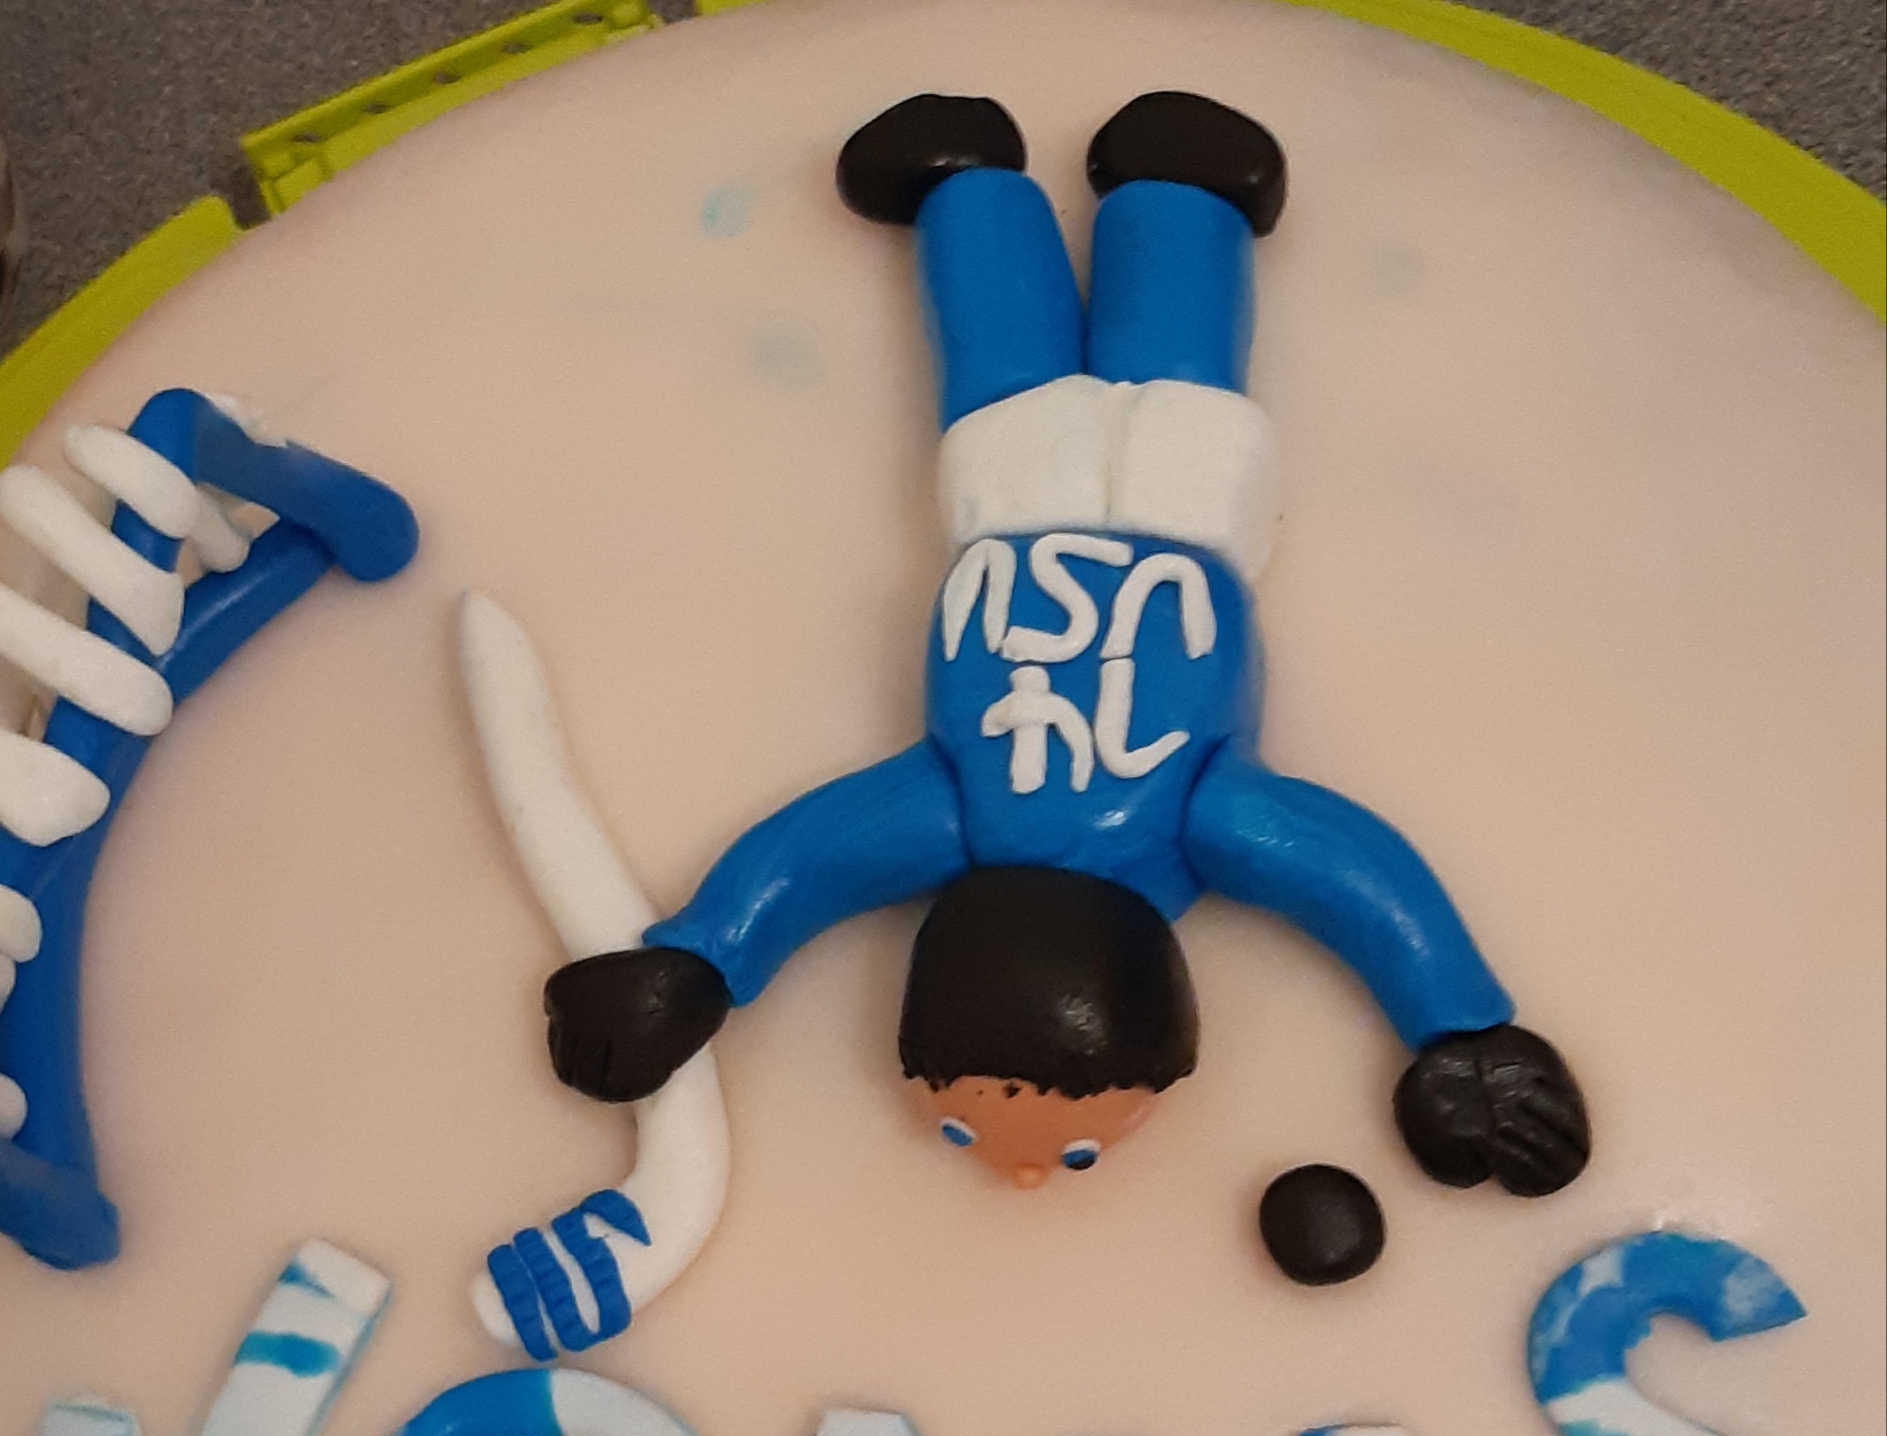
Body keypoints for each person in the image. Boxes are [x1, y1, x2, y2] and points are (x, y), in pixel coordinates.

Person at [541, 91, 1590, 1196]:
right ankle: (1178, 193)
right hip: (1178, 510)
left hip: (1009, 512)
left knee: (1002, 366)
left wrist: (701, 960)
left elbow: (803, 864)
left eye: (966, 1127)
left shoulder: (953, 814)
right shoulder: (1200, 822)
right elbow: (1353, 874)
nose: (1028, 1178)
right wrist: (1457, 1027)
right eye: (1061, 1146)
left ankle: (969, 189)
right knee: (1166, 369)